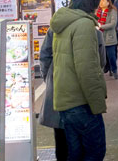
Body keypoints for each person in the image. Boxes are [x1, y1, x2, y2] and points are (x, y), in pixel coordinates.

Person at [49, 0, 107, 161]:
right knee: (94, 152)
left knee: (75, 154)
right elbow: (87, 69)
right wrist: (97, 105)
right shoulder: (84, 25)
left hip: (65, 100)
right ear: (95, 3)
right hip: (82, 102)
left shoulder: (63, 21)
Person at [38, 28, 69, 161]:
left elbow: (44, 55)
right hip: (82, 90)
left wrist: (48, 77)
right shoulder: (91, 27)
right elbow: (100, 60)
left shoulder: (55, 27)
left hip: (57, 82)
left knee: (60, 131)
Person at [98, 0, 118, 76]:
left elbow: (113, 23)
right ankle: (104, 69)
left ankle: (114, 70)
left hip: (109, 37)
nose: (101, 2)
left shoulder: (112, 11)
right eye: (100, 1)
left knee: (111, 55)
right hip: (100, 38)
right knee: (101, 56)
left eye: (103, 1)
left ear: (108, 2)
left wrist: (100, 26)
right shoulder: (97, 12)